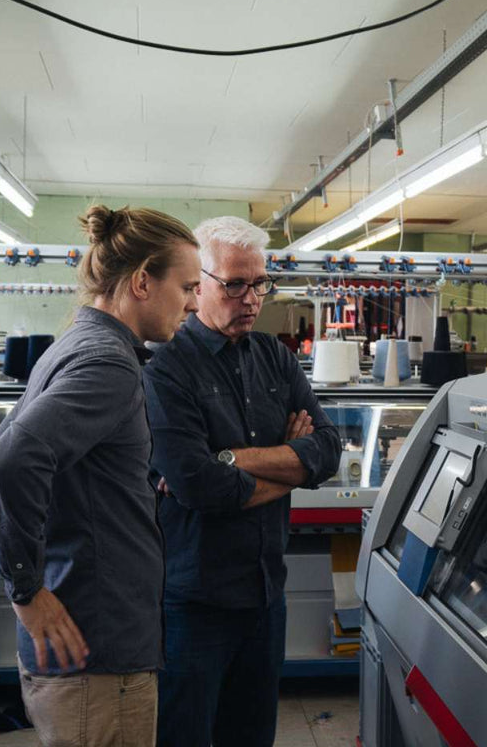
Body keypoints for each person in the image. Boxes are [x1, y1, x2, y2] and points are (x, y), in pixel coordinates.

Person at [0, 205, 201, 747]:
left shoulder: (77, 343)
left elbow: (5, 456)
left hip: (91, 642)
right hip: (97, 658)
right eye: (188, 287)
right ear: (142, 282)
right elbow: (8, 463)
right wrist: (26, 590)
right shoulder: (106, 363)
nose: (195, 304)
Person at [143, 216, 342, 747]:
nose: (251, 298)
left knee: (251, 737)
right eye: (234, 284)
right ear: (197, 282)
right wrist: (288, 465)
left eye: (260, 283)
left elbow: (326, 452)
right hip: (193, 604)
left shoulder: (276, 358)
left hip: (264, 597)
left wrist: (232, 457)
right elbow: (198, 485)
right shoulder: (165, 371)